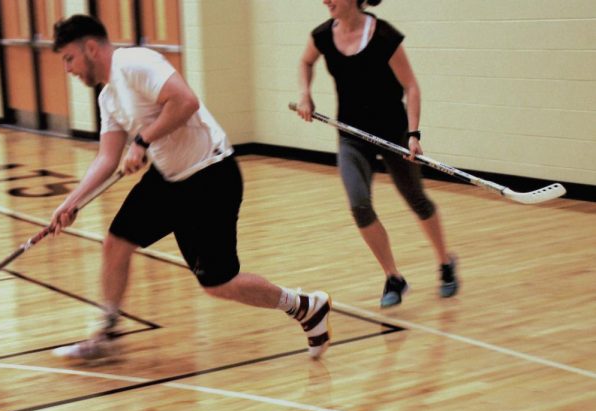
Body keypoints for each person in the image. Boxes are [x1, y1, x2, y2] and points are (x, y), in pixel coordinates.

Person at [49, 15, 332, 360]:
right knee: (116, 243)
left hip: (210, 175)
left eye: (69, 58)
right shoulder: (108, 97)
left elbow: (185, 101)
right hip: (169, 179)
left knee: (219, 284)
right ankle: (105, 334)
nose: (68, 69)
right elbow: (107, 159)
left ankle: (305, 306)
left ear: (90, 48)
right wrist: (71, 203)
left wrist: (141, 141)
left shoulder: (136, 63)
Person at [294, 0, 458, 308]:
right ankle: (393, 277)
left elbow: (411, 87)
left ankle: (445, 262)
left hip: (393, 134)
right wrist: (305, 93)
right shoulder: (322, 36)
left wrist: (413, 135)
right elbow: (305, 62)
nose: (325, 0)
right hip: (352, 137)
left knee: (417, 200)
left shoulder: (383, 36)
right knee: (359, 205)